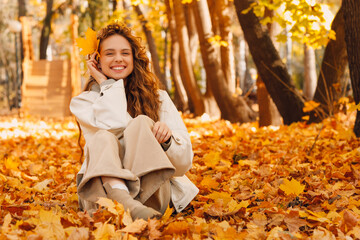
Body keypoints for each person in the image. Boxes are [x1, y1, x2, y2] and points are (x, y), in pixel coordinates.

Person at [70, 23, 198, 220]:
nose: (118, 59)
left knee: (140, 124)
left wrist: (167, 142)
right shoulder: (85, 103)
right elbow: (116, 125)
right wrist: (106, 85)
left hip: (153, 193)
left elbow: (184, 164)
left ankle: (129, 206)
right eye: (109, 53)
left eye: (125, 53)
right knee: (103, 137)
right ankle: (128, 204)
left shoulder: (159, 98)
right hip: (104, 200)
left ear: (134, 58)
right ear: (97, 60)